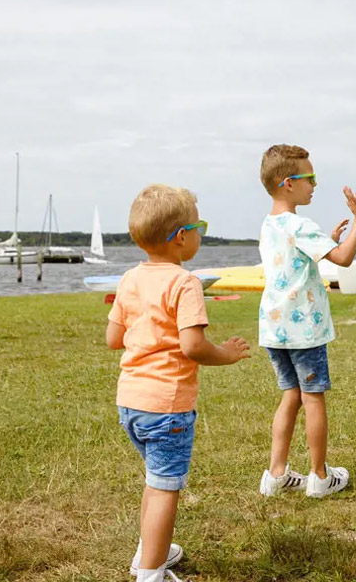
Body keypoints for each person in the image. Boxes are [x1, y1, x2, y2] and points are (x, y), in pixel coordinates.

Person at [106, 184, 251, 581]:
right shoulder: (185, 283)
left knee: (155, 482)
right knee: (165, 489)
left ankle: (148, 551)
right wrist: (227, 353)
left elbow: (113, 338)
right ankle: (150, 573)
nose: (202, 234)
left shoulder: (129, 278)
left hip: (130, 403)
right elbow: (193, 346)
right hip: (166, 406)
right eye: (200, 227)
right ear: (181, 237)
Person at [257, 144, 356, 498]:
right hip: (303, 330)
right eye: (310, 177)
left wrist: (327, 240)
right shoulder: (301, 224)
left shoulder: (269, 225)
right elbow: (344, 258)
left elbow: (294, 260)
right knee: (313, 397)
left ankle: (276, 475)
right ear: (288, 183)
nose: (315, 184)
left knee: (290, 395)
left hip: (275, 329)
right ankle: (320, 477)